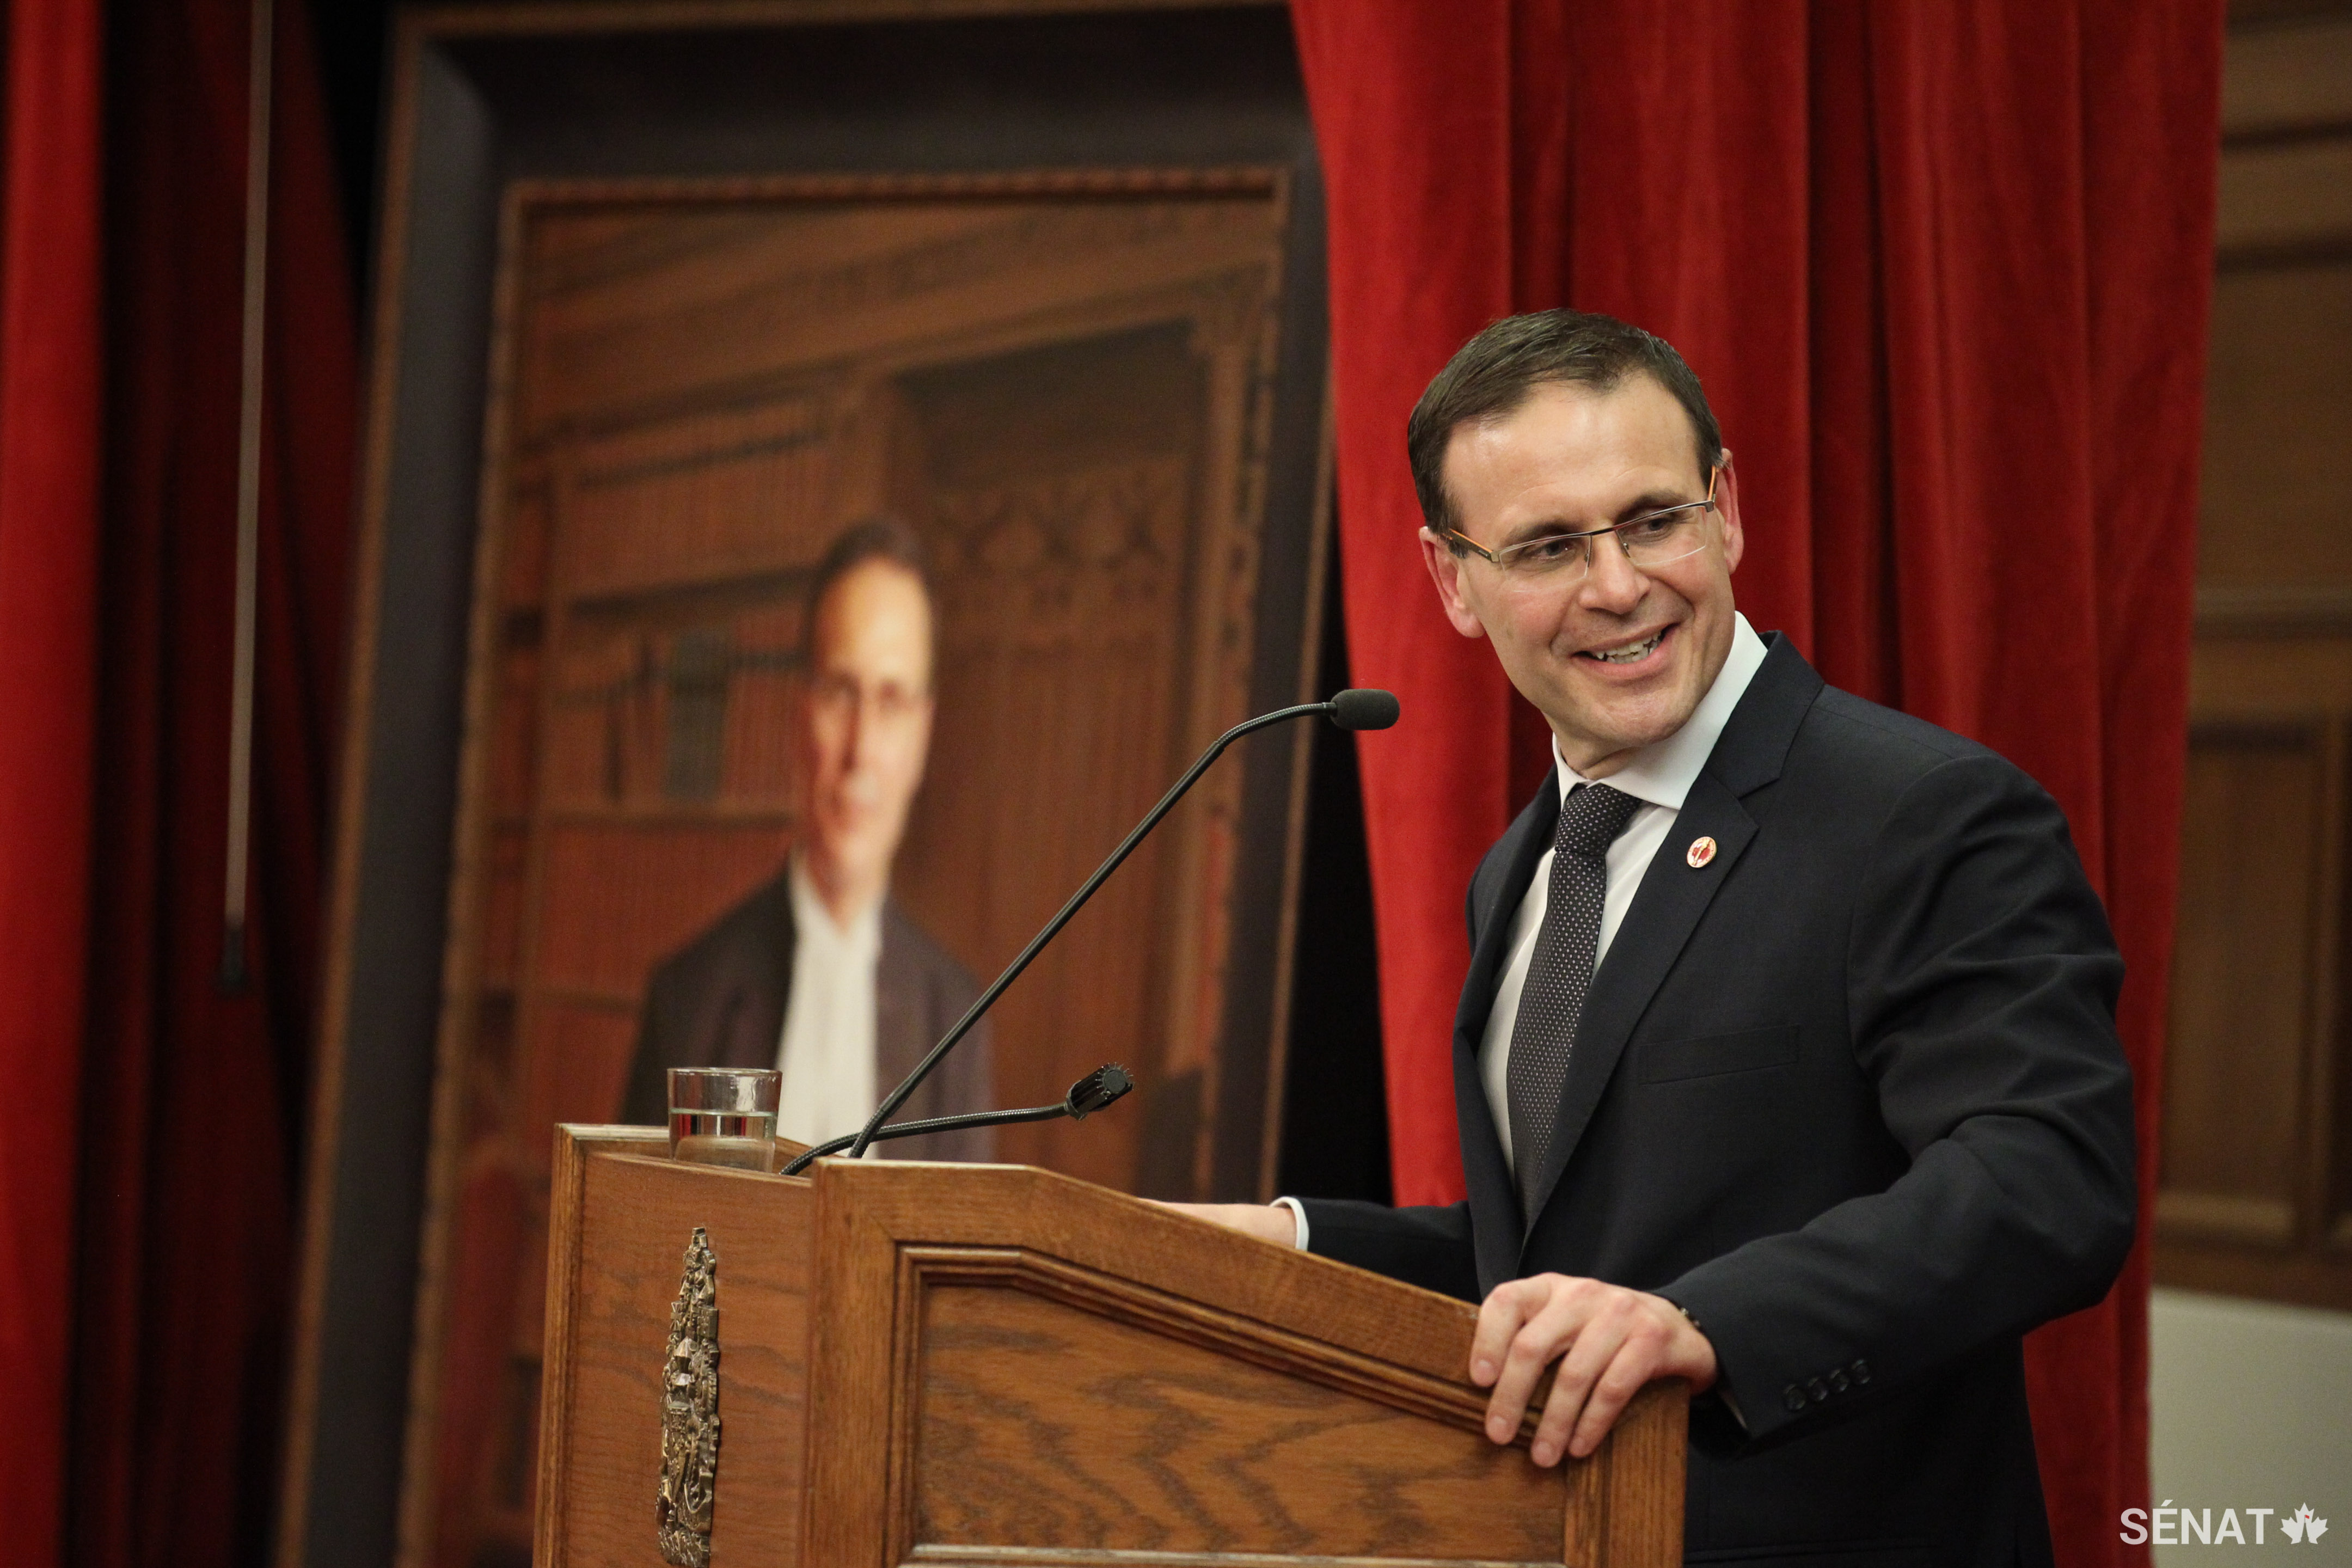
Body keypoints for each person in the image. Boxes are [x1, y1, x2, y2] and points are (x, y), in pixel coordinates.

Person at [1174, 311, 2134, 1567]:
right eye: (1548, 545)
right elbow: (1577, 1263)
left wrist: (1705, 1321)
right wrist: (1293, 1241)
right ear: (1451, 581)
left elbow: (2044, 1183)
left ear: (1725, 507)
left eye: (1652, 519)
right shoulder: (1522, 869)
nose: (1618, 584)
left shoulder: (1921, 814)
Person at [621, 516, 994, 1160]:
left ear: (923, 735)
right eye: (841, 692)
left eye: (892, 700)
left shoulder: (955, 1022)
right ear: (800, 714)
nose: (862, 750)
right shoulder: (689, 997)